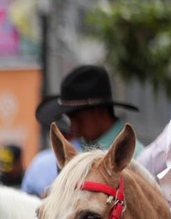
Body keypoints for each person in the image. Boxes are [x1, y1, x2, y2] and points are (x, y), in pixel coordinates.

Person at [22, 64, 143, 197]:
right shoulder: (80, 150)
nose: (73, 128)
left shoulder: (136, 159)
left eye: (78, 119)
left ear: (99, 111)